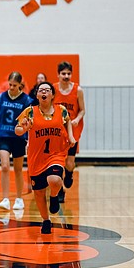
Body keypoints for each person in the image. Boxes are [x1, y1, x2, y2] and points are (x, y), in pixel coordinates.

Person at [15, 81, 75, 234]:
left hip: (56, 154)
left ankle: (54, 196)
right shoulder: (30, 111)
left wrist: (71, 136)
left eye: (47, 90)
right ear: (37, 95)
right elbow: (17, 130)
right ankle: (46, 220)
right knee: (39, 192)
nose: (44, 92)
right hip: (37, 158)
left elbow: (67, 121)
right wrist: (24, 128)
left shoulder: (60, 110)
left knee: (54, 179)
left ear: (52, 95)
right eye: (41, 90)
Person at [0, 72, 32, 213]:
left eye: (14, 85)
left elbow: (30, 122)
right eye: (10, 84)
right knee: (5, 166)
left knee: (18, 169)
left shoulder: (26, 100)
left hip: (18, 137)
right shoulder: (0, 97)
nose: (11, 87)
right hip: (4, 136)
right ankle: (5, 199)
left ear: (20, 85)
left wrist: (30, 139)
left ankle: (19, 198)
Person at [53, 62, 85, 202]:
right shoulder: (53, 89)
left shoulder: (78, 90)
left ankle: (69, 174)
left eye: (68, 74)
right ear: (58, 75)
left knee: (69, 162)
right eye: (63, 74)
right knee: (58, 160)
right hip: (58, 130)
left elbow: (83, 109)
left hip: (73, 128)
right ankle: (60, 190)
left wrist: (77, 119)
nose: (66, 76)